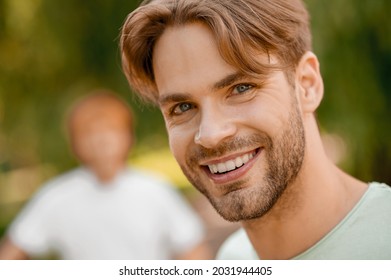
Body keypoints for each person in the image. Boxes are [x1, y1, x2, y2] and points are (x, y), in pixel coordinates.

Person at [119, 0, 391, 260]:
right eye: (182, 107)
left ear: (306, 84)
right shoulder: (231, 260)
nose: (211, 135)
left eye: (241, 88)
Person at [0, 89, 210, 260]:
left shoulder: (154, 190)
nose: (101, 142)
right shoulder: (56, 196)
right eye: (90, 133)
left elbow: (193, 249)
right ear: (74, 144)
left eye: (110, 131)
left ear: (129, 137)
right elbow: (12, 251)